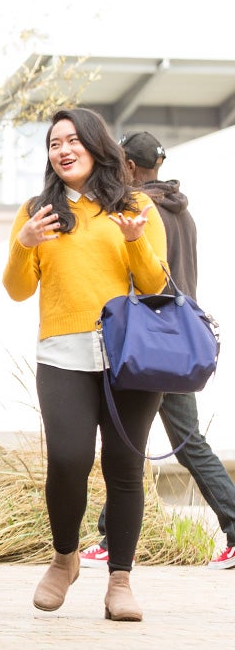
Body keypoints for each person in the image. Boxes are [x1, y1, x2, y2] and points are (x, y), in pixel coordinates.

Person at [4, 108, 168, 621]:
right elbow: (16, 289)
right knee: (69, 459)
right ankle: (64, 558)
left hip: (129, 359)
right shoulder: (37, 210)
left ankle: (120, 579)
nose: (63, 149)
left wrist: (136, 239)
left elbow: (155, 286)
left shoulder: (136, 205)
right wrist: (23, 244)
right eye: (55, 143)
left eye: (73, 140)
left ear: (97, 146)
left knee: (124, 466)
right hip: (62, 355)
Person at [78, 131, 235, 571]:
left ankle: (112, 540)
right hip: (180, 340)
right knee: (173, 441)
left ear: (128, 166)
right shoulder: (182, 212)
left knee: (134, 439)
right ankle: (112, 535)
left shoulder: (140, 211)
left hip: (149, 341)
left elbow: (145, 276)